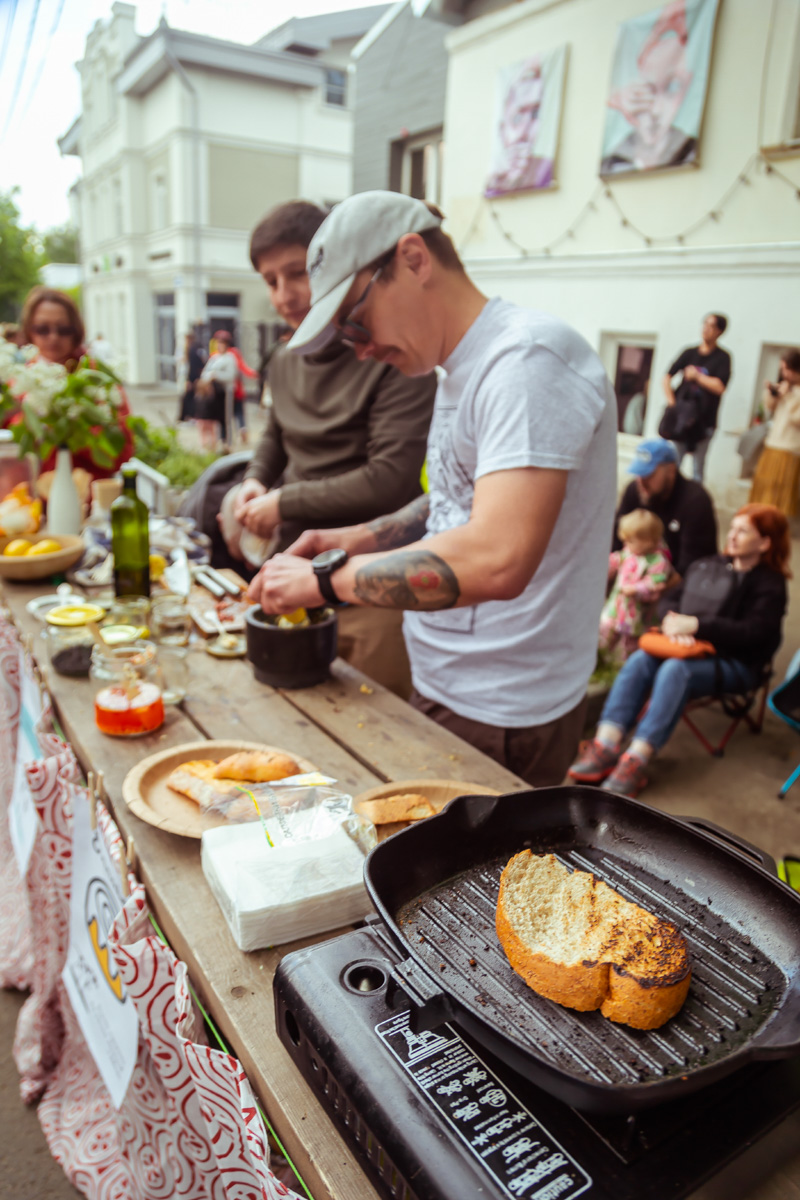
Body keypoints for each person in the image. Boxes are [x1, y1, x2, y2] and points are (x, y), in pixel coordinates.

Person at [246, 190, 617, 787]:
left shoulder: (526, 362)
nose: (359, 346)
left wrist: (324, 582)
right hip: (456, 688)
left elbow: (499, 557)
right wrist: (363, 537)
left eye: (355, 320)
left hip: (503, 710)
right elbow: (456, 502)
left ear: (413, 258)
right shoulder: (461, 368)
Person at [216, 199, 437, 697]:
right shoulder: (284, 356)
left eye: (297, 274)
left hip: (370, 588)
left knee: (372, 728)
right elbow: (276, 434)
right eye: (270, 281)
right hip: (291, 565)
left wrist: (282, 502)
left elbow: (390, 477)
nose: (284, 294)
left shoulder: (392, 352)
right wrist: (255, 479)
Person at [568, 503, 790, 798]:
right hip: (685, 648)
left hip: (736, 663)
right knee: (641, 660)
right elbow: (671, 597)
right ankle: (606, 745)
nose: (732, 535)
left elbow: (755, 634)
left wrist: (698, 626)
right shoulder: (709, 564)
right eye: (732, 527)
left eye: (743, 531)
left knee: (676, 671)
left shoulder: (770, 585)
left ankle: (635, 760)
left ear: (765, 542)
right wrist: (674, 621)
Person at [11, 286, 133, 480]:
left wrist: (71, 425)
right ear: (29, 330)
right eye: (43, 329)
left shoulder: (96, 378)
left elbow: (121, 451)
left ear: (76, 330)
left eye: (64, 329)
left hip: (87, 499)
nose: (53, 337)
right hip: (29, 502)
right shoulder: (19, 382)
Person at [601, 0, 695, 175]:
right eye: (649, 90)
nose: (656, 110)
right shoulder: (612, 161)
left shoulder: (690, 151)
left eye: (671, 89)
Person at [613, 438, 717, 579]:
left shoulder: (695, 502)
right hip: (630, 575)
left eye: (649, 475)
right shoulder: (635, 491)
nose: (641, 482)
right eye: (639, 474)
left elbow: (693, 566)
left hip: (674, 584)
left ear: (671, 470)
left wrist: (650, 586)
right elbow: (616, 539)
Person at [660, 313, 732, 482]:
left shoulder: (723, 358)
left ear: (719, 331)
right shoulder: (689, 353)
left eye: (711, 326)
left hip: (704, 422)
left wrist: (697, 377)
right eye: (705, 324)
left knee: (697, 469)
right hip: (682, 419)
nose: (706, 328)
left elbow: (720, 387)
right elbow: (666, 377)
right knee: (674, 464)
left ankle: (694, 505)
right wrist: (672, 404)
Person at [600, 509, 671, 662]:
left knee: (627, 650)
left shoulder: (658, 561)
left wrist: (637, 589)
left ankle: (618, 672)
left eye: (631, 540)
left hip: (636, 618)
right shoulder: (628, 553)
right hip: (615, 611)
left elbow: (655, 584)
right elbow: (614, 561)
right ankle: (599, 663)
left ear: (650, 541)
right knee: (603, 639)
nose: (626, 544)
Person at [484, 58, 553, 197]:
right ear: (502, 126)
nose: (524, 133)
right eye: (517, 117)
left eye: (535, 114)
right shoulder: (494, 181)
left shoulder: (544, 169)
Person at [749, 348, 800, 516]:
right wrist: (772, 393)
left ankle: (775, 523)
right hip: (772, 444)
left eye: (786, 369)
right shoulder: (786, 387)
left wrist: (788, 397)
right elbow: (769, 409)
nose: (783, 373)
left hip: (790, 449)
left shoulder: (794, 393)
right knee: (764, 487)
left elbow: (797, 418)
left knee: (781, 492)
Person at [195, 329, 237, 449]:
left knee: (225, 417)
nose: (219, 346)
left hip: (224, 391)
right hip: (214, 393)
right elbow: (205, 372)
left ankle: (226, 441)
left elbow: (231, 375)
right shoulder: (214, 358)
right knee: (215, 419)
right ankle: (216, 441)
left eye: (222, 344)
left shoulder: (230, 358)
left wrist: (216, 375)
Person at [226, 336, 258, 442]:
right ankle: (241, 430)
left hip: (232, 390)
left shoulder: (226, 354)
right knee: (239, 413)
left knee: (232, 413)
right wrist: (254, 374)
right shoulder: (233, 353)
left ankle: (234, 434)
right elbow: (243, 367)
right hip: (235, 390)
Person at [178, 331, 205, 422]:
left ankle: (189, 416)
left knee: (190, 398)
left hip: (193, 378)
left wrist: (190, 380)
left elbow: (194, 366)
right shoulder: (192, 349)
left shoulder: (193, 350)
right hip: (192, 377)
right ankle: (187, 416)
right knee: (189, 397)